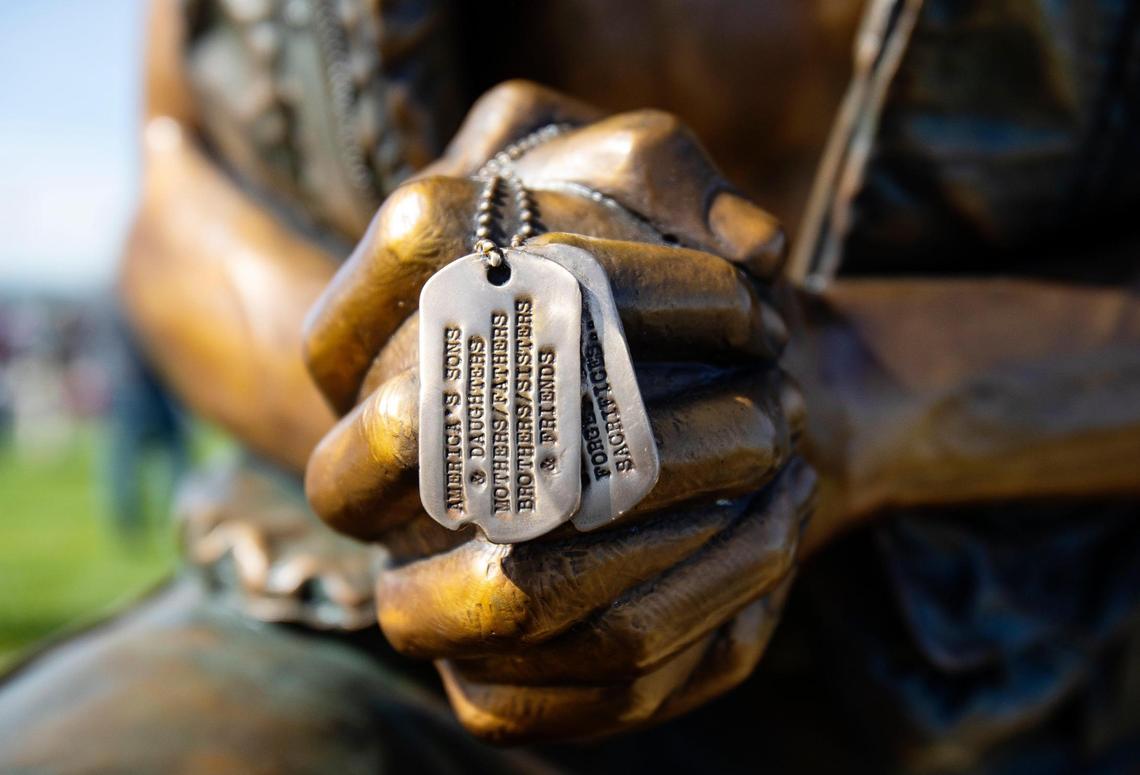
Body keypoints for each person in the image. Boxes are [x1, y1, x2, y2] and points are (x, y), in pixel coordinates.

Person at [1, 1, 1138, 772]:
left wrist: (854, 391)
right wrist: (395, 419)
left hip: (1022, 627)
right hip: (353, 612)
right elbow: (170, 183)